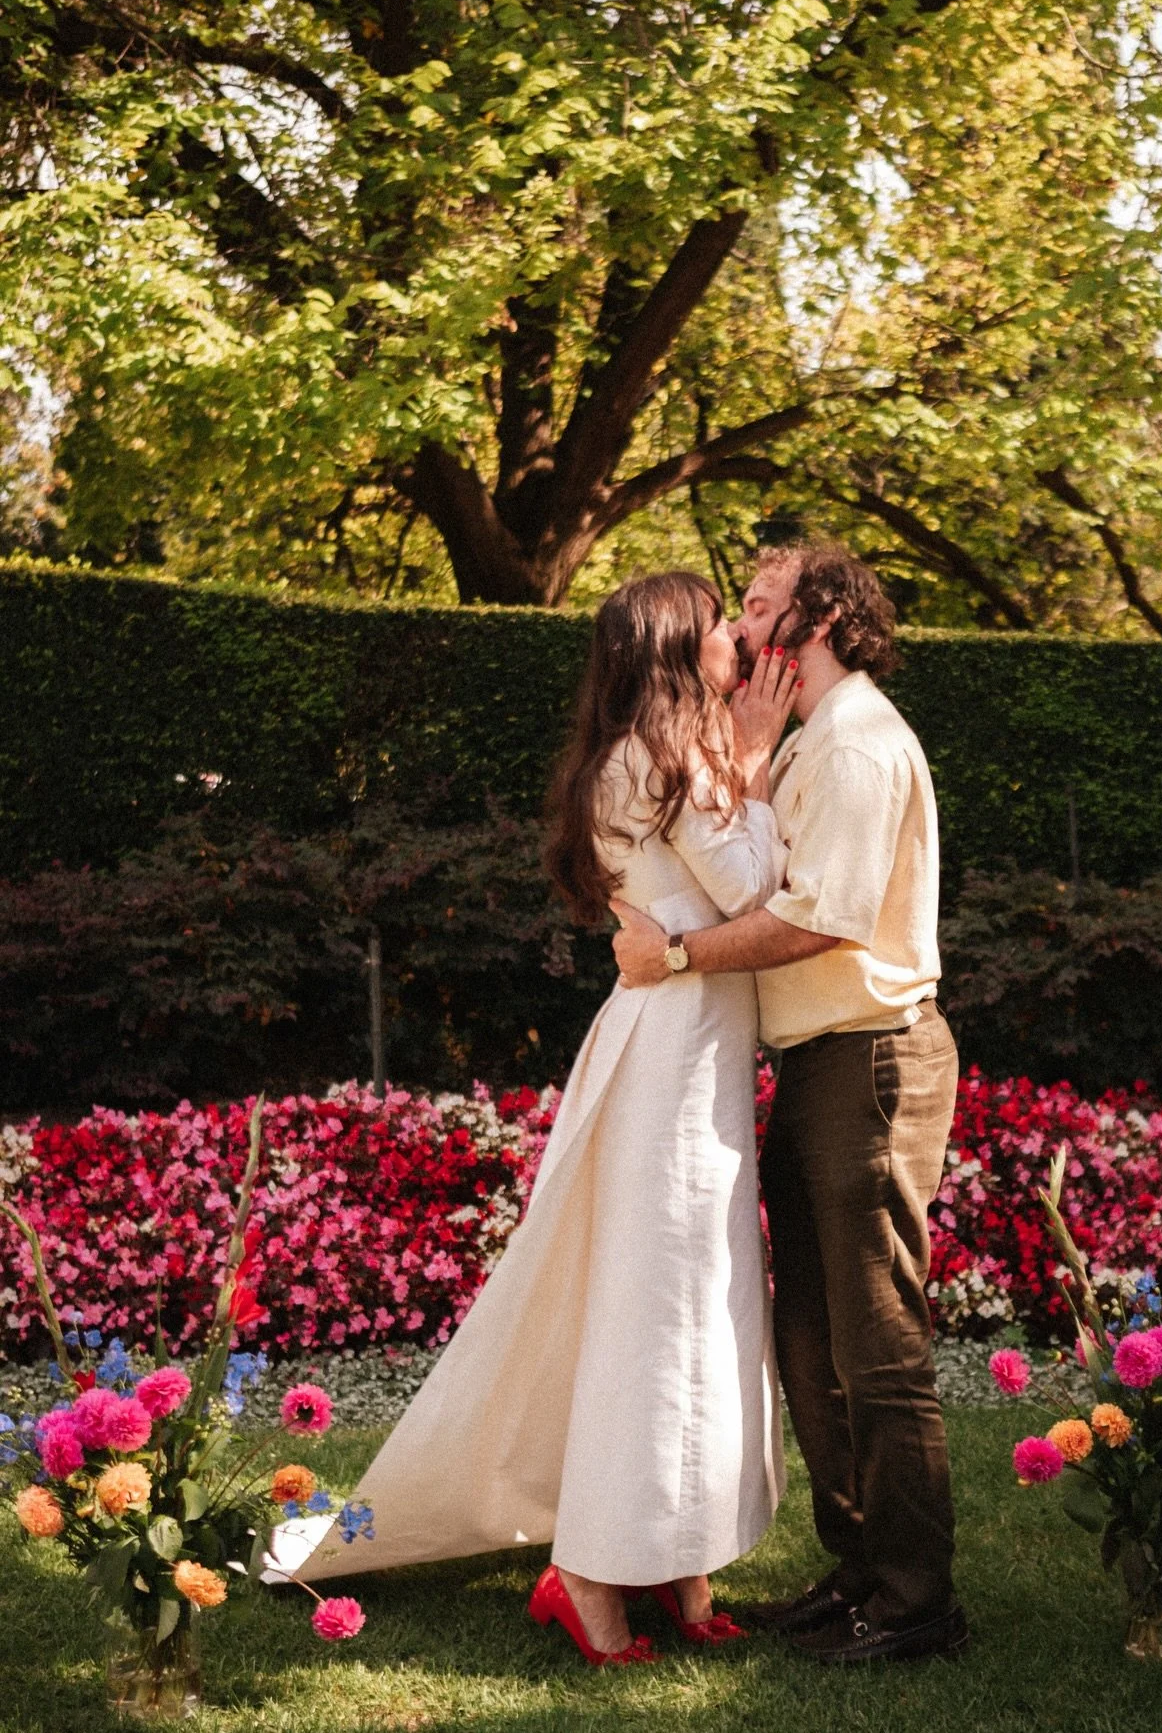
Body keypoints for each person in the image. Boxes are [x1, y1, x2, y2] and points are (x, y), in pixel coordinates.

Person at [292, 571, 799, 1666]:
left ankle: (678, 1564)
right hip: (668, 1063)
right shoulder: (655, 762)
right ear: (674, 646)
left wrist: (734, 763)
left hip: (686, 1048)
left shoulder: (662, 757)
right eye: (716, 621)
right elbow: (757, 888)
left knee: (699, 1310)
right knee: (657, 1313)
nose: (731, 636)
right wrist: (755, 762)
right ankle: (587, 1580)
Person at [610, 542, 966, 1667]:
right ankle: (858, 1574)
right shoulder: (814, 742)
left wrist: (673, 952)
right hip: (816, 1066)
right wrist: (754, 767)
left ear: (813, 618)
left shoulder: (860, 747)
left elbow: (821, 919)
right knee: (813, 1342)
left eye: (758, 604)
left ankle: (916, 1604)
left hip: (871, 1063)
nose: (741, 619)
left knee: (879, 1346)